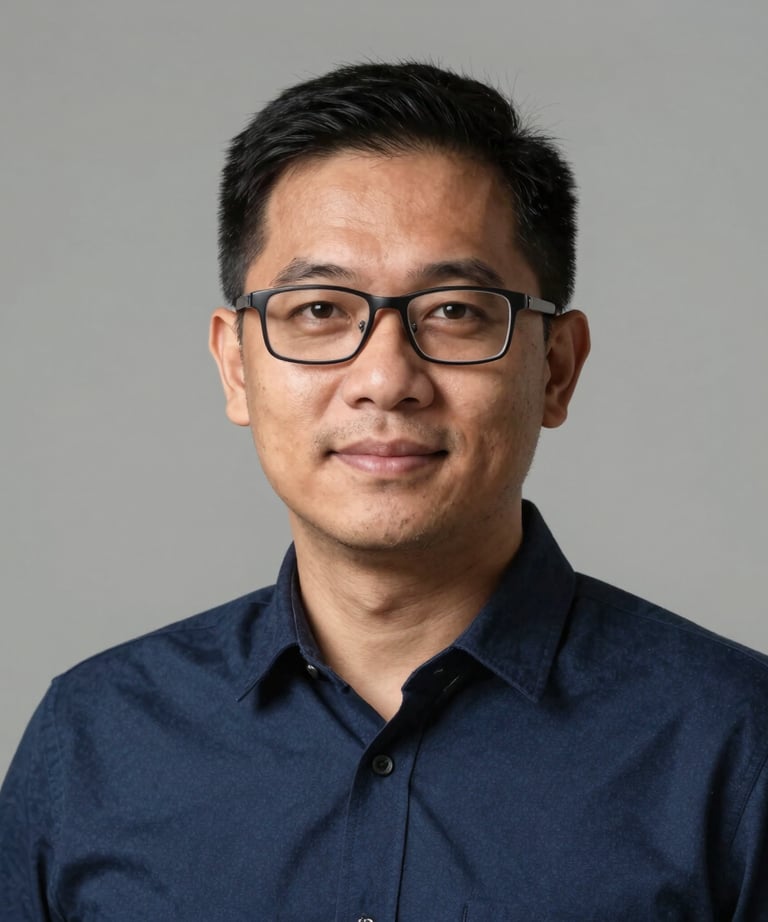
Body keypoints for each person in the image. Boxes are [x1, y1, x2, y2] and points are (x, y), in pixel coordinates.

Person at [1, 61, 767, 921]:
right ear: (236, 367)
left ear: (556, 368)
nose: (385, 379)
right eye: (320, 310)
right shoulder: (97, 737)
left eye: (454, 310)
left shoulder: (737, 746)